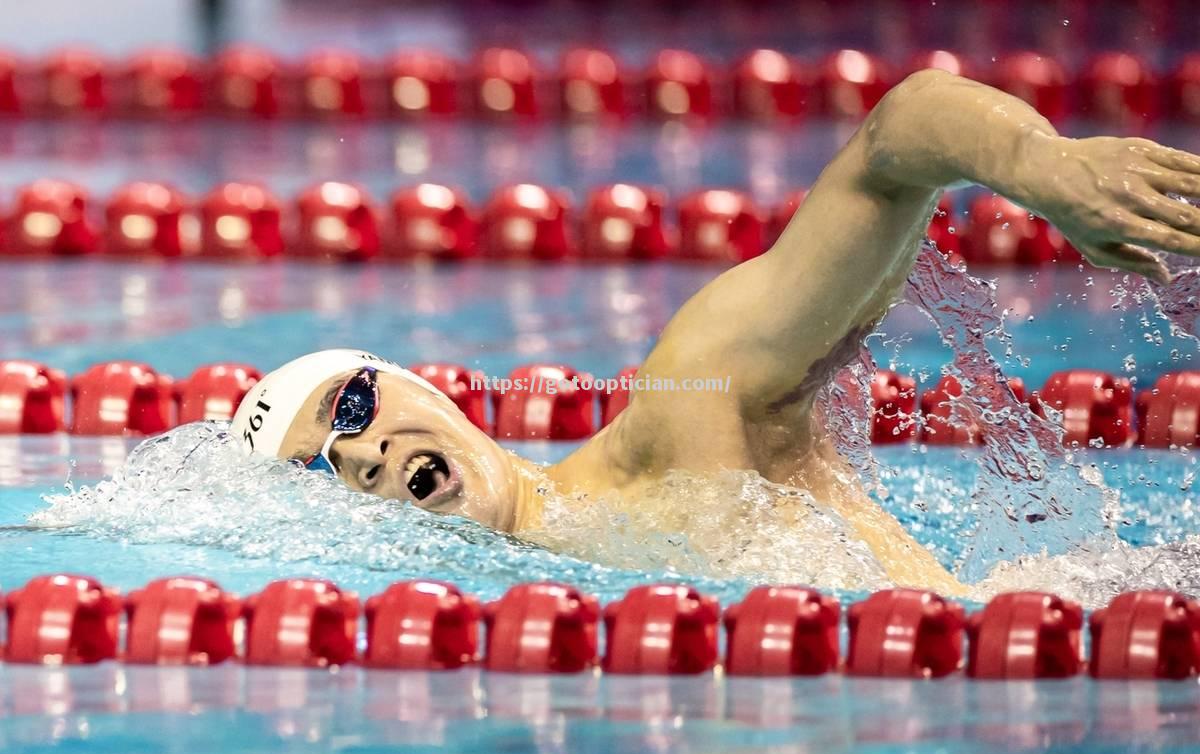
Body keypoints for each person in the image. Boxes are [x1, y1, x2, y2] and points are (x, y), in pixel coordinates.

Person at [231, 69, 1200, 595]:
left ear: (422, 386)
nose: (361, 456)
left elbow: (899, 133)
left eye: (349, 408)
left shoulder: (688, 418)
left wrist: (1042, 165)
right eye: (325, 466)